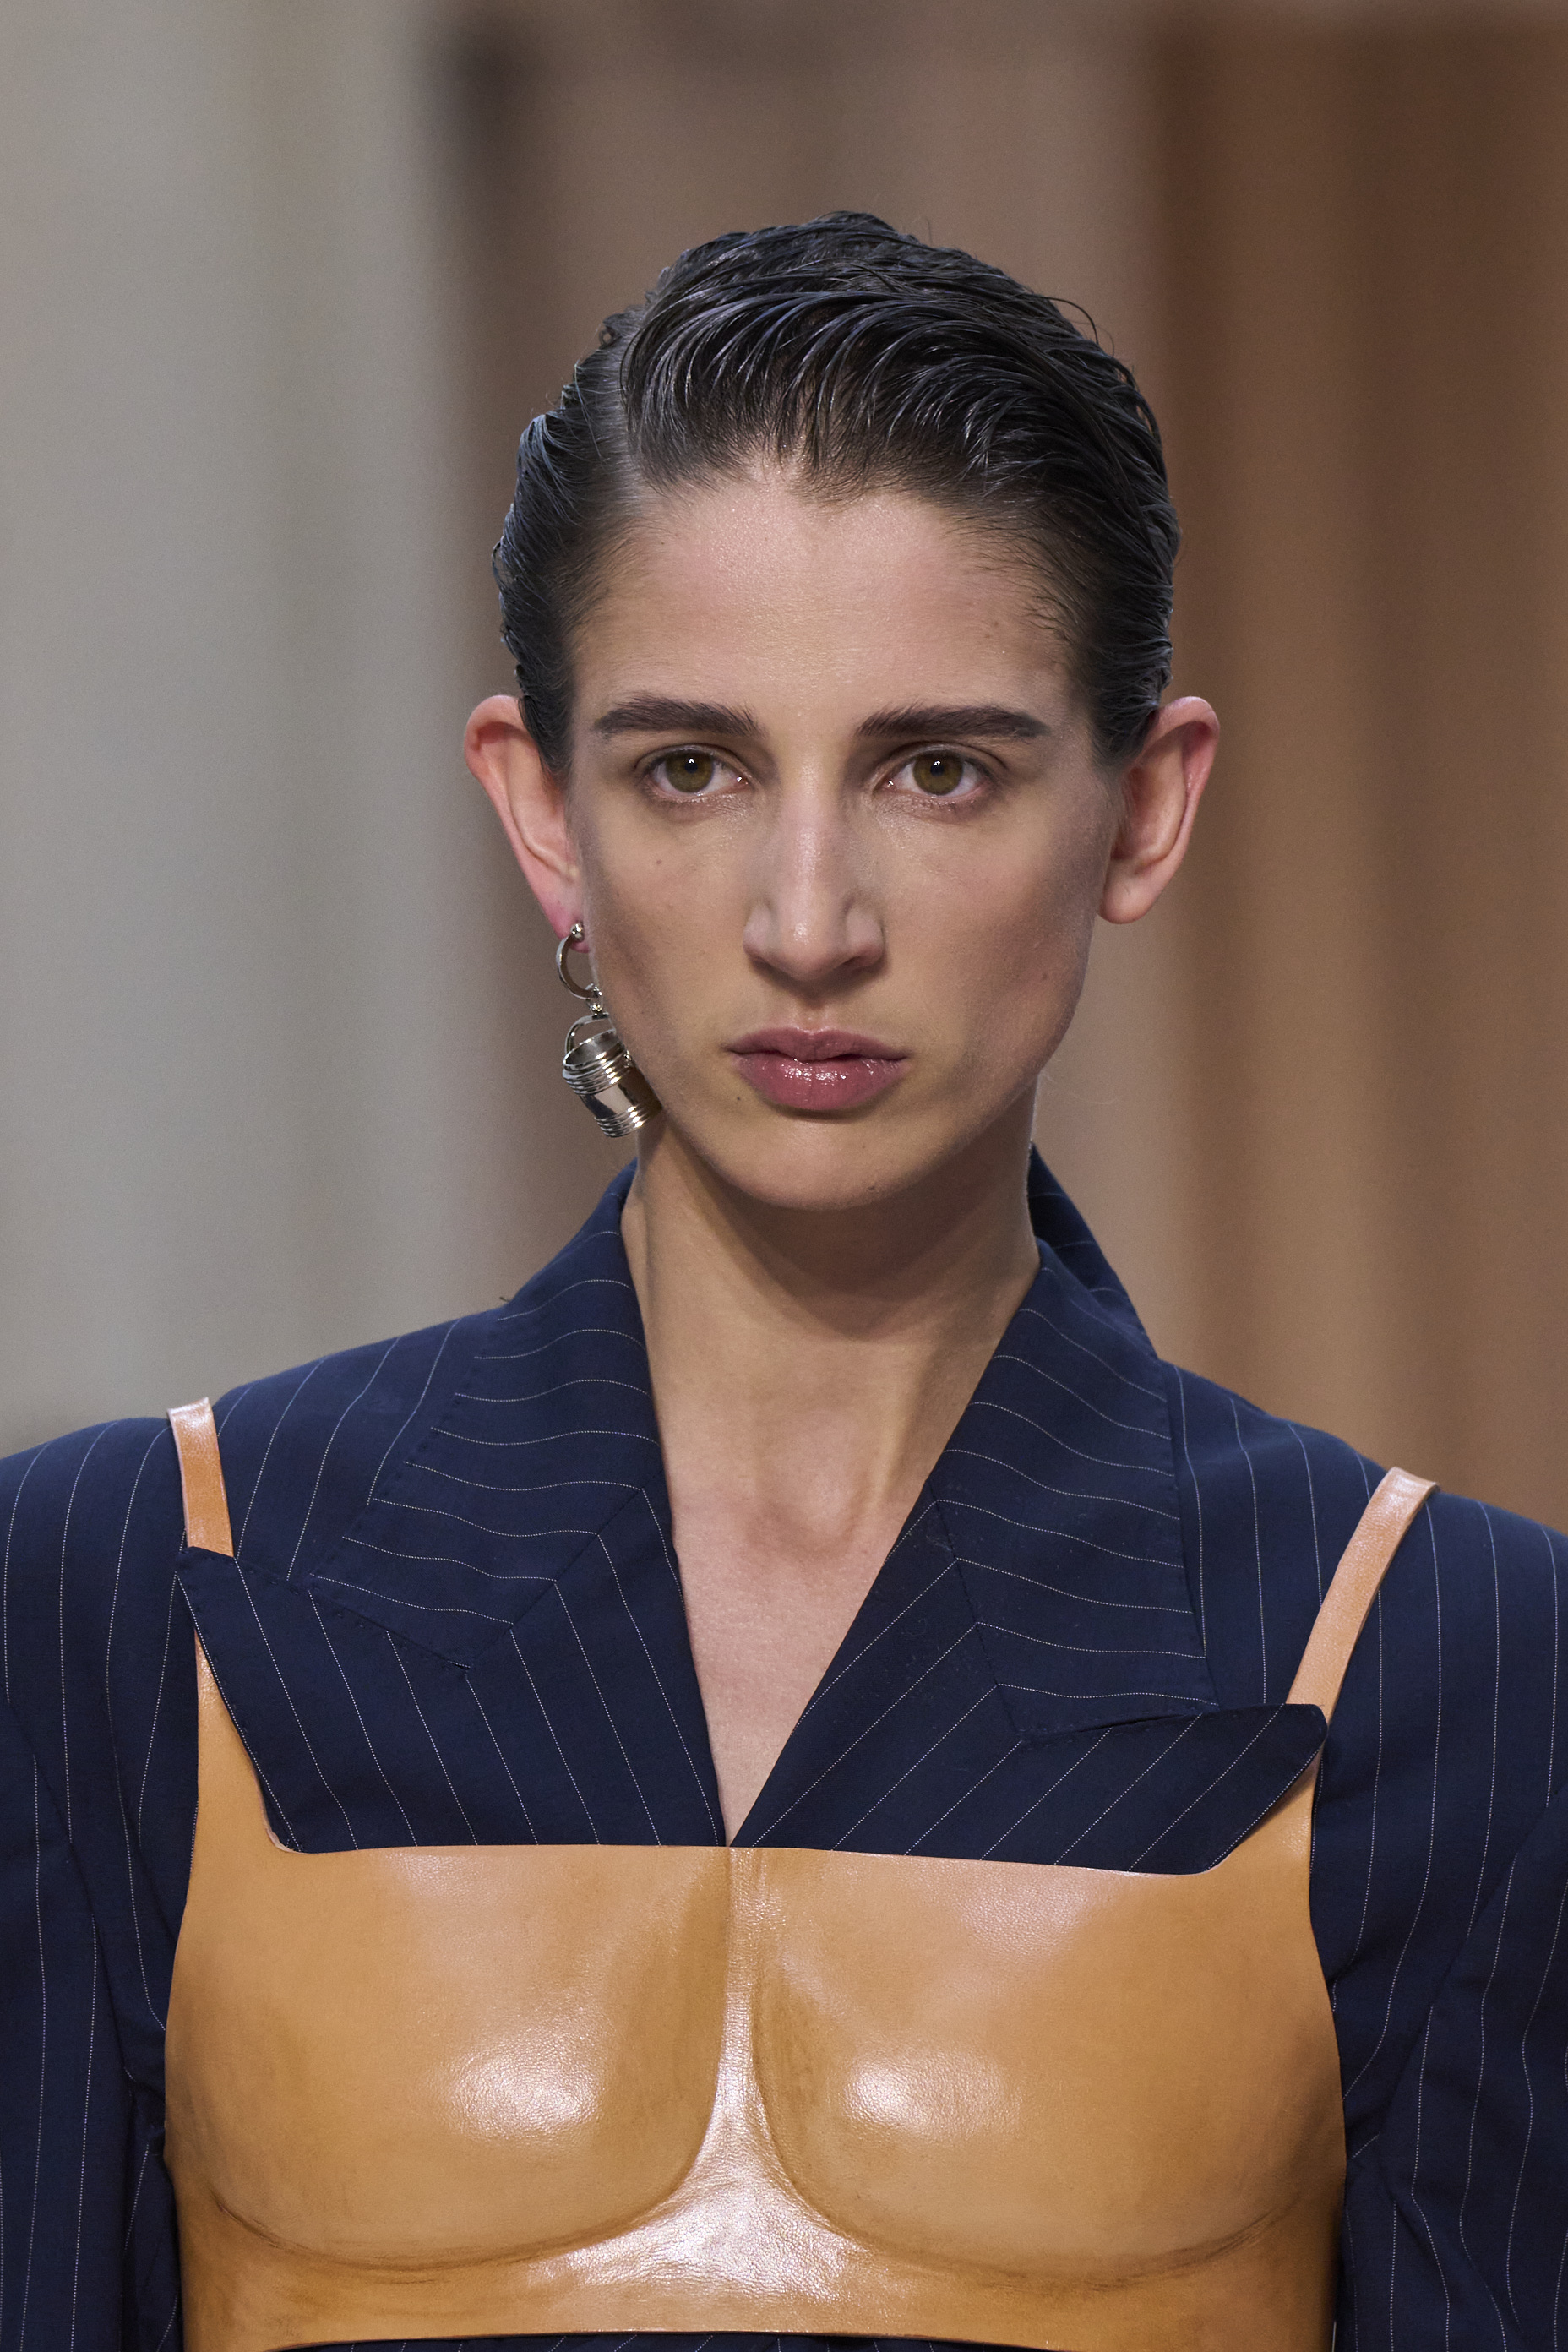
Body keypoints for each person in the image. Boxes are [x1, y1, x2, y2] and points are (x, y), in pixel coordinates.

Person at [2, 211, 1564, 2352]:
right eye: (691, 767)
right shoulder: (115, 1593)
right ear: (541, 811)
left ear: (1141, 809)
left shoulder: (1455, 1665)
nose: (807, 920)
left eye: (937, 769)